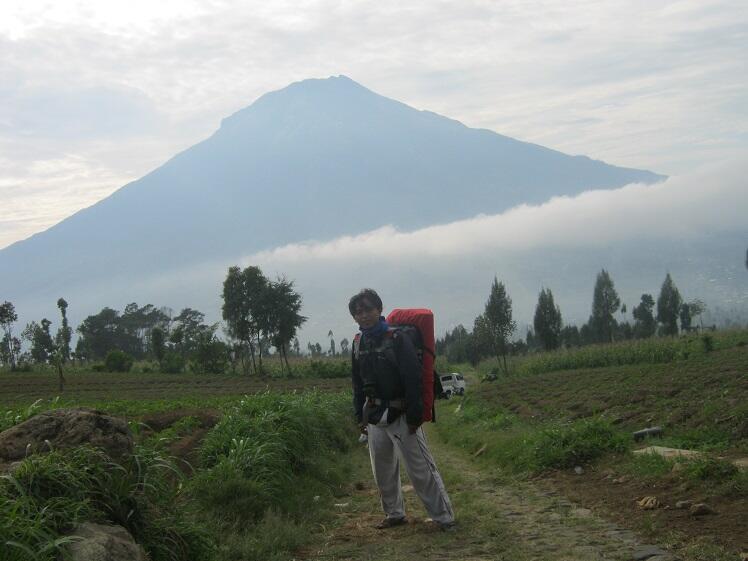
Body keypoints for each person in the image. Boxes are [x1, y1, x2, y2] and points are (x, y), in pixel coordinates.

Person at [349, 288, 455, 530]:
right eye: (358, 312)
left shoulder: (397, 339)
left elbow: (413, 378)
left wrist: (415, 416)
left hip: (402, 414)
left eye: (368, 309)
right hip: (375, 415)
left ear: (379, 309)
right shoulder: (357, 343)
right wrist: (359, 415)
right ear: (354, 317)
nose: (363, 315)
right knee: (382, 472)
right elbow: (357, 382)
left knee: (420, 470)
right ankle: (394, 514)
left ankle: (444, 517)